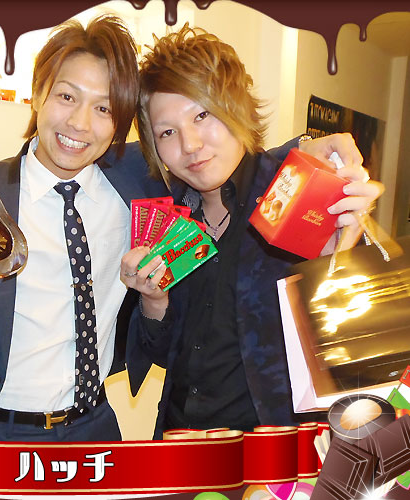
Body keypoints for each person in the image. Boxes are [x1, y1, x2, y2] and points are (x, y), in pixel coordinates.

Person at [0, 16, 365, 441]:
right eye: (67, 97)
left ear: (118, 123)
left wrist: (308, 149)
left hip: (98, 427)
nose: (80, 124)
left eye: (103, 108)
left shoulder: (134, 182)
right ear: (37, 94)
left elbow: (230, 159)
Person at [120, 25, 384, 436]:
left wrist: (342, 256)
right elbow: (162, 353)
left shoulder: (295, 193)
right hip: (180, 439)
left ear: (236, 107)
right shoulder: (171, 217)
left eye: (202, 115)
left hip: (273, 447)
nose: (190, 145)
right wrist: (154, 300)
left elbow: (350, 342)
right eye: (167, 132)